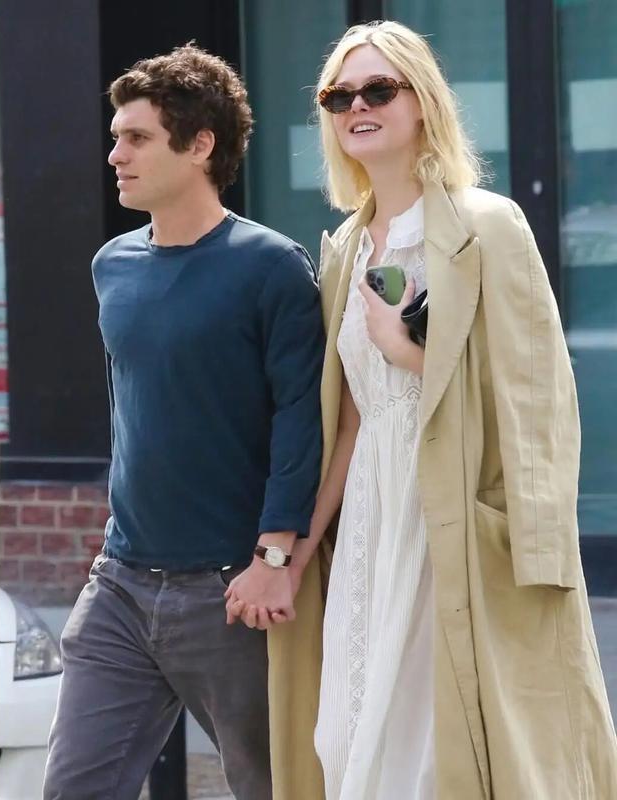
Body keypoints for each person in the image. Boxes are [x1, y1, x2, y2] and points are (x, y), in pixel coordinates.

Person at [256, 20, 617, 800]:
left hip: (451, 517)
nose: (358, 106)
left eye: (379, 89)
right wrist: (291, 557)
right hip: (369, 525)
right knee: (347, 735)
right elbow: (349, 423)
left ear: (421, 100)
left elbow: (536, 394)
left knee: (433, 750)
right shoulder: (345, 249)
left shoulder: (486, 226)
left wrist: (408, 348)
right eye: (339, 95)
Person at [42, 42, 324, 800]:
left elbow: (302, 418)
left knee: (275, 787)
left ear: (200, 146)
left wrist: (273, 556)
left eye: (136, 138)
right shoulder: (111, 265)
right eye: (116, 136)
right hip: (120, 584)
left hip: (231, 591)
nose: (115, 155)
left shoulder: (271, 266)